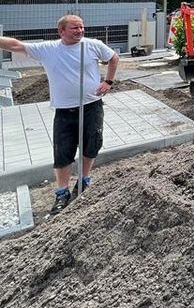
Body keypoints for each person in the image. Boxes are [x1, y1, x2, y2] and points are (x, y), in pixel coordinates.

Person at [0, 15, 119, 215]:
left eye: (82, 27)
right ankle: (62, 192)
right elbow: (16, 45)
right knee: (63, 151)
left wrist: (108, 82)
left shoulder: (92, 45)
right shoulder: (49, 49)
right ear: (61, 31)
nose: (80, 31)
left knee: (92, 144)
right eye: (74, 28)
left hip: (91, 106)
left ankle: (84, 180)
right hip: (64, 110)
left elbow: (113, 58)